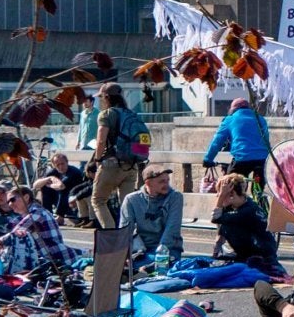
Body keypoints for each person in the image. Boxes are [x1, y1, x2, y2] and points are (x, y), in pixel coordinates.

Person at [87, 83, 147, 228]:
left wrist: (97, 160)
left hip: (111, 164)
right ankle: (128, 237)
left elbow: (101, 140)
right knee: (126, 204)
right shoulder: (132, 114)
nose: (100, 100)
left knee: (98, 200)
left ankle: (112, 236)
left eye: (101, 97)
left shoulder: (107, 114)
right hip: (131, 164)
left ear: (106, 97)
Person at [210, 174, 280, 273]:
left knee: (227, 221)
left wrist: (221, 197)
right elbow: (221, 229)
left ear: (232, 194)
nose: (218, 196)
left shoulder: (248, 210)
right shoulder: (233, 206)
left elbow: (215, 218)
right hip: (246, 252)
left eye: (220, 193)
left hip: (261, 256)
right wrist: (216, 249)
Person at [118, 165, 185, 264]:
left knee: (161, 266)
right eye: (162, 182)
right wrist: (123, 254)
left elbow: (172, 228)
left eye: (167, 180)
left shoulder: (175, 197)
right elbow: (125, 230)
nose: (166, 184)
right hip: (141, 250)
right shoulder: (132, 200)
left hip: (168, 249)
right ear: (148, 183)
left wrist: (161, 252)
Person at [0, 185, 67, 278]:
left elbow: (13, 234)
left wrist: (1, 241)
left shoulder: (37, 212)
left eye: (12, 199)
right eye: (8, 202)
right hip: (47, 260)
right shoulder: (26, 214)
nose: (10, 204)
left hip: (58, 260)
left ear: (26, 197)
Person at [204, 96, 271, 183]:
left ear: (233, 109)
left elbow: (217, 141)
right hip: (263, 159)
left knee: (231, 185)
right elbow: (266, 139)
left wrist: (208, 159)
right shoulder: (260, 119)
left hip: (242, 158)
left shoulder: (230, 119)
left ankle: (237, 194)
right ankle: (258, 194)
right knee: (258, 188)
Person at [33, 152, 88, 226]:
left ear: (67, 162)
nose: (61, 167)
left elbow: (61, 186)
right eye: (58, 165)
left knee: (62, 190)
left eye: (62, 164)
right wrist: (48, 178)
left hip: (75, 200)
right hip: (62, 201)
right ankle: (48, 214)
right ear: (54, 165)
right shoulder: (54, 172)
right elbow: (35, 185)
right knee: (44, 188)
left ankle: (60, 217)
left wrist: (49, 185)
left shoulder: (73, 172)